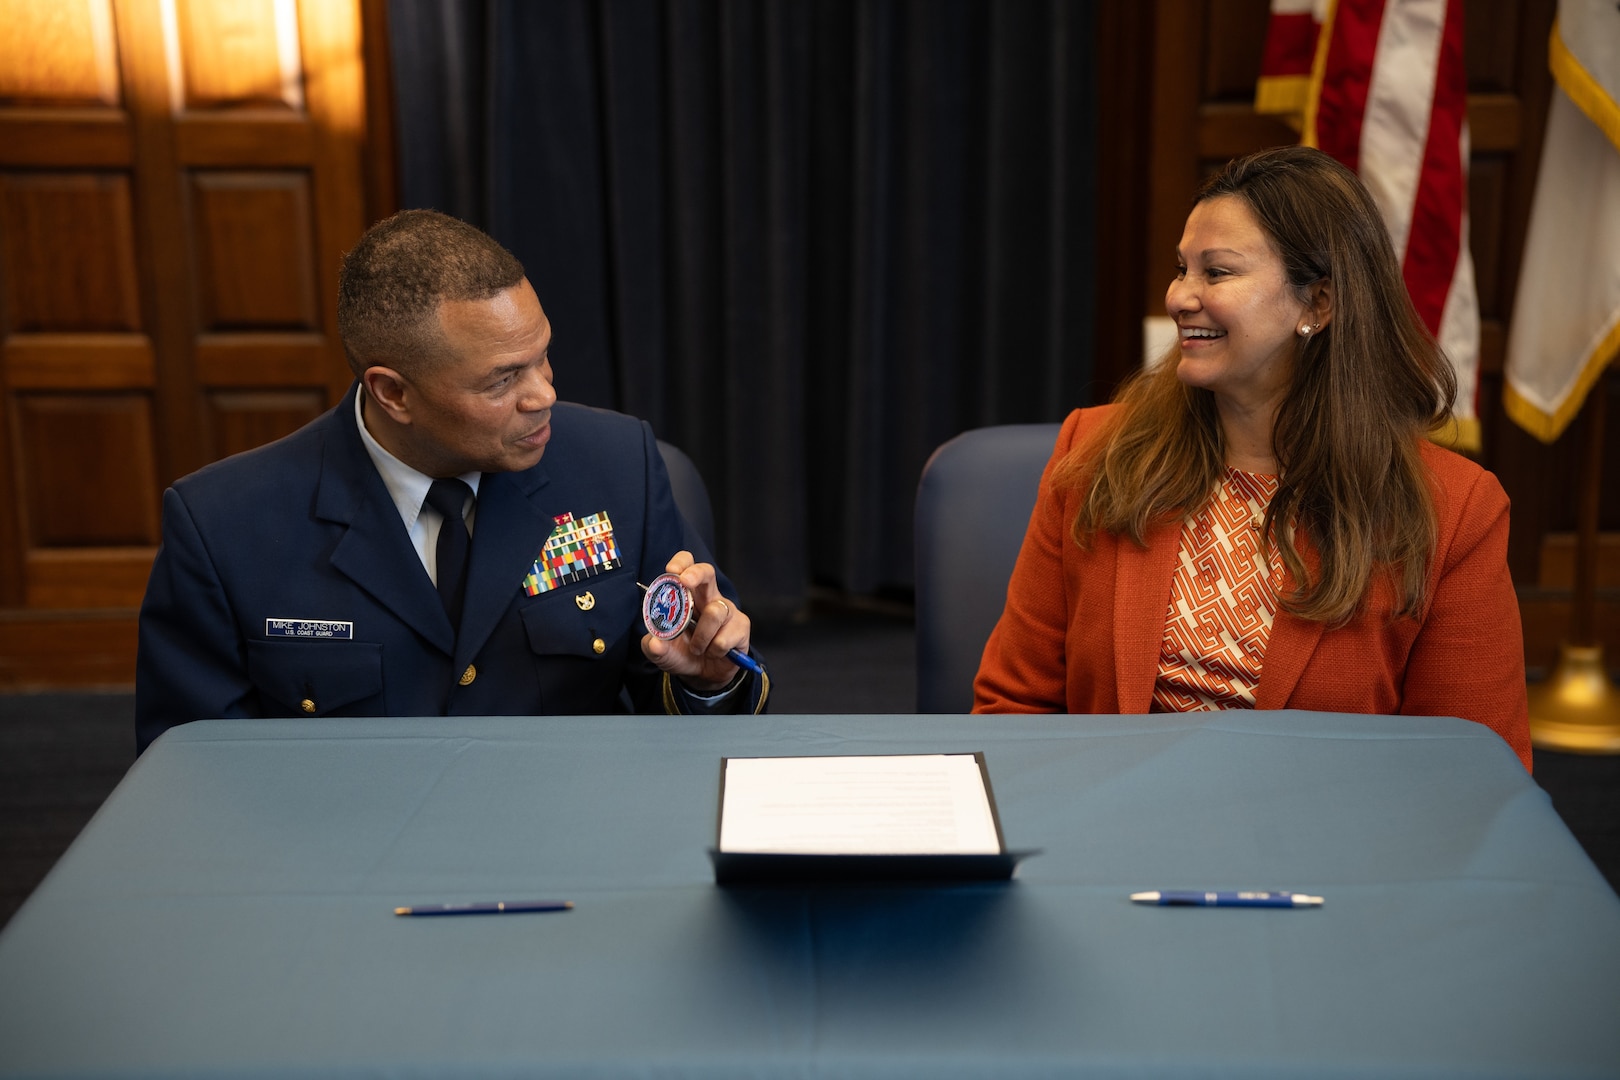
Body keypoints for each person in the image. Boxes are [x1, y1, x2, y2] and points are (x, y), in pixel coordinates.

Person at [972, 145, 1531, 771]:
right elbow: (1013, 709)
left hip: (1322, 855)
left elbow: (1474, 776)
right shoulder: (1097, 450)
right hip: (1113, 842)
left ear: (1317, 304)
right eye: (1182, 269)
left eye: (1217, 273)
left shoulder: (1455, 511)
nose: (1180, 296)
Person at [136, 210, 767, 753]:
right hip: (347, 871)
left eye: (542, 355)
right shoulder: (224, 528)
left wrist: (706, 682)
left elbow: (703, 730)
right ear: (392, 393)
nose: (544, 394)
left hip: (573, 846)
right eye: (501, 380)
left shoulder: (616, 464)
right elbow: (196, 778)